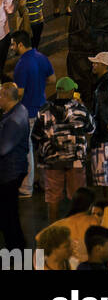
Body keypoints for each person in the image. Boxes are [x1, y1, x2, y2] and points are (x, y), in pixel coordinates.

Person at [31, 74, 94, 221]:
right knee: (78, 197)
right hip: (76, 161)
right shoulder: (80, 110)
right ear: (71, 92)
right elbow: (91, 129)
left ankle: (54, 231)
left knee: (53, 199)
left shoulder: (44, 111)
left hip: (52, 161)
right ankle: (77, 228)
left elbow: (36, 136)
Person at [12, 27, 55, 196]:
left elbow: (20, 93)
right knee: (43, 148)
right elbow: (52, 79)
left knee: (27, 149)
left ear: (21, 45)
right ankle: (45, 184)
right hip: (43, 109)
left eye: (14, 45)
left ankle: (26, 187)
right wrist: (38, 86)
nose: (12, 48)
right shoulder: (41, 58)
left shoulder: (22, 65)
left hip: (28, 112)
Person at [0, 80, 29, 249]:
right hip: (14, 169)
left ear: (5, 97)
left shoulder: (13, 120)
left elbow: (3, 148)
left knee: (9, 215)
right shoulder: (20, 109)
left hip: (9, 172)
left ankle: (16, 250)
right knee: (9, 213)